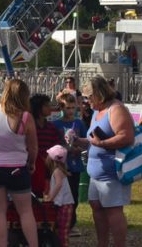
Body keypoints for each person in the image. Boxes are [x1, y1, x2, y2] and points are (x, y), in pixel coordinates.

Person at [0, 78, 39, 247]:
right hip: (17, 167)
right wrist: (31, 163)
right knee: (25, 211)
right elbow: (33, 147)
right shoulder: (26, 117)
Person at [79, 75, 135, 247]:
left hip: (112, 172)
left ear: (99, 94)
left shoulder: (116, 109)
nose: (87, 102)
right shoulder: (98, 110)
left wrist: (102, 143)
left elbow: (126, 137)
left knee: (113, 210)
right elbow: (93, 139)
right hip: (96, 173)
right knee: (96, 206)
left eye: (89, 97)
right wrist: (78, 141)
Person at [55, 92, 87, 235]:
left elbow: (86, 141)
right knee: (59, 194)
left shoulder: (79, 123)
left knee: (73, 195)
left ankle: (71, 223)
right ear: (61, 107)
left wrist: (79, 148)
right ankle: (57, 222)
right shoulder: (55, 124)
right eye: (67, 107)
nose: (70, 111)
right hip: (60, 166)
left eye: (73, 107)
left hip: (75, 164)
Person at [31, 93, 64, 197]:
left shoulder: (51, 127)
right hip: (33, 167)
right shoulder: (30, 127)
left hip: (48, 166)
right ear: (38, 108)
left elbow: (58, 145)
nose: (50, 108)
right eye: (47, 105)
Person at [44, 144, 75, 247]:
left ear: (52, 159)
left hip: (65, 205)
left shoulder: (57, 171)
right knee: (60, 230)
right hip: (63, 204)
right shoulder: (60, 171)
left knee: (62, 231)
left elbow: (58, 185)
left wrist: (50, 198)